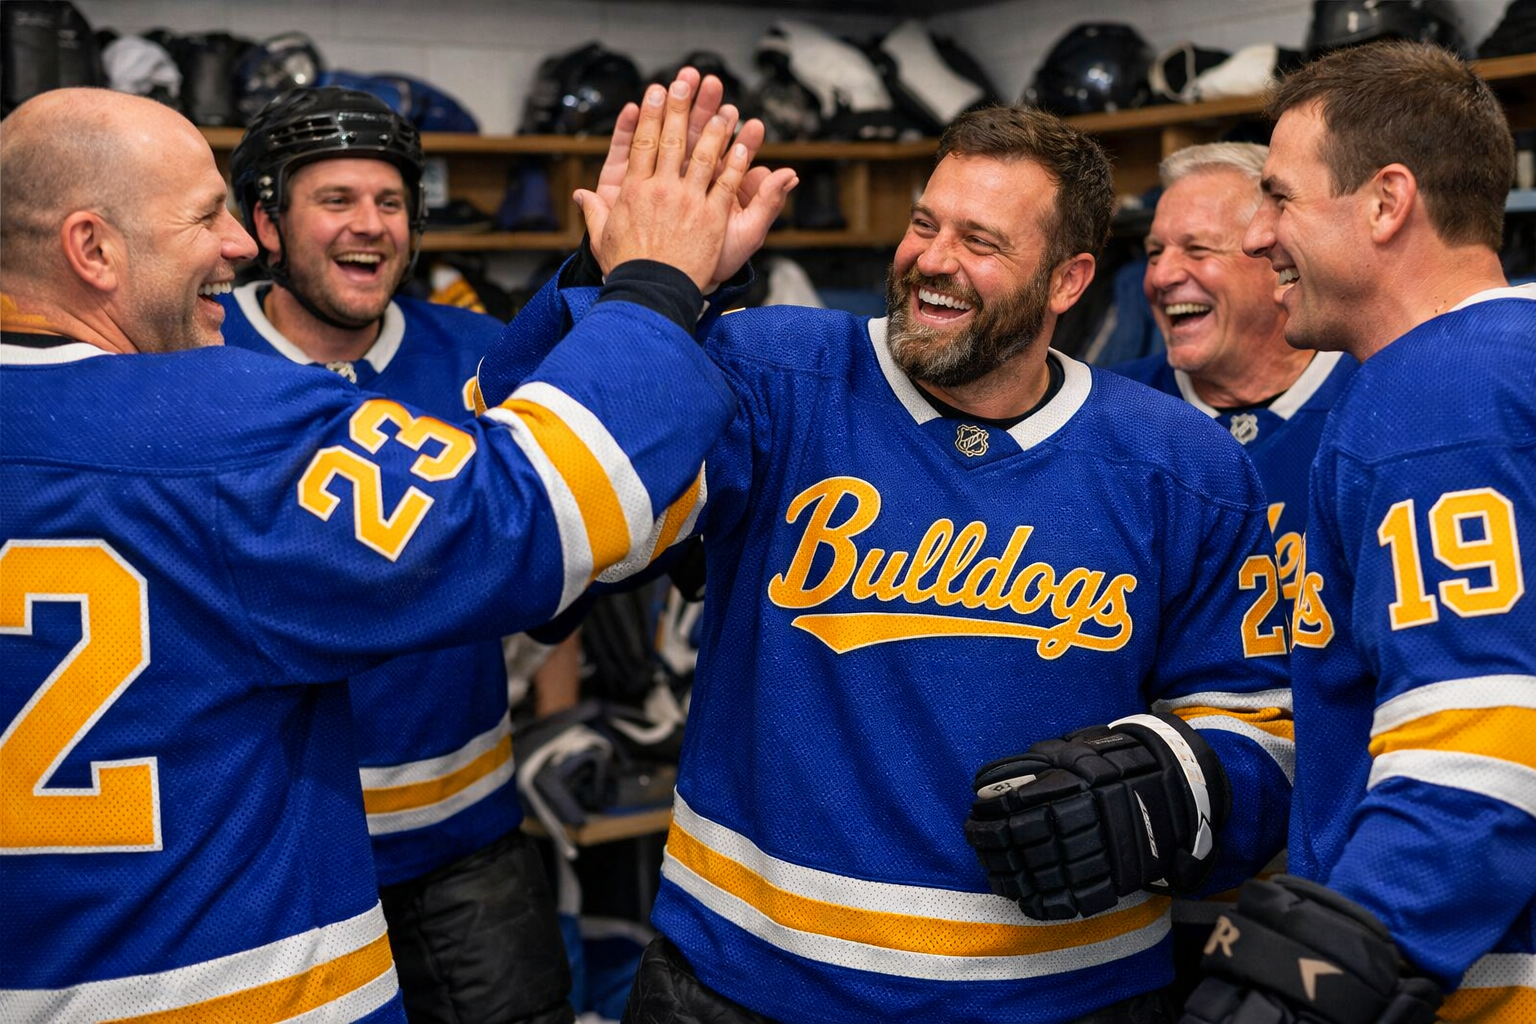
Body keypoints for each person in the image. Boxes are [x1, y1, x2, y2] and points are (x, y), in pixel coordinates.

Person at [480, 102, 1297, 1024]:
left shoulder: (1181, 464)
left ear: (1068, 280)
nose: (933, 259)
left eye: (980, 240)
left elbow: (1259, 721)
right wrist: (625, 279)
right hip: (741, 986)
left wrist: (1180, 786)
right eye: (924, 223)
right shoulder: (773, 375)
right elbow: (526, 473)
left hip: (1062, 1001)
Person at [0, 82, 781, 1023]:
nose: (237, 248)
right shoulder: (214, 415)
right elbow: (527, 509)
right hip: (239, 980)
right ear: (92, 249)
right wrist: (658, 283)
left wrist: (595, 279)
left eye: (390, 199)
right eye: (209, 216)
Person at [1180, 41, 1536, 1024]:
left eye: (1280, 199)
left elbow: (1485, 743)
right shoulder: (1510, 362)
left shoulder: (1435, 393)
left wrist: (1337, 964)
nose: (1256, 237)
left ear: (1387, 202)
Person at [218, 85, 569, 1024]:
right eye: (335, 201)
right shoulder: (194, 359)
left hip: (468, 846)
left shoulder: (486, 354)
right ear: (266, 220)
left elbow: (568, 533)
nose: (370, 226)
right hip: (278, 853)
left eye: (389, 202)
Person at [1116, 141, 1356, 606]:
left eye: (1197, 249)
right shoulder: (1110, 410)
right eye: (1153, 252)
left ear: (1276, 260)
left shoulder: (1373, 392)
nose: (1160, 277)